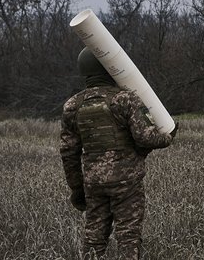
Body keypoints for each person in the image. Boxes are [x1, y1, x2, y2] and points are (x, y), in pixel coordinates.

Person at [60, 47, 176, 259]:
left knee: (94, 238)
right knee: (128, 236)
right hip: (126, 183)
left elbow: (68, 152)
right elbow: (145, 138)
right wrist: (168, 136)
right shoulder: (125, 99)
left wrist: (77, 188)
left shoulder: (72, 106)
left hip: (93, 183)